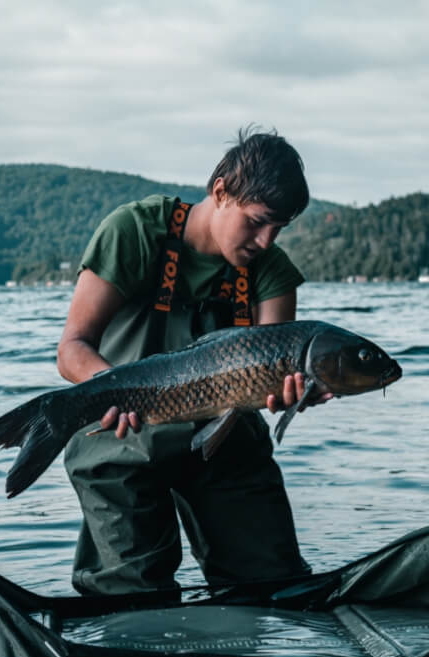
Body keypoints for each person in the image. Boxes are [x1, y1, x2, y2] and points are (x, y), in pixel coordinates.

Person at [57, 127, 324, 596]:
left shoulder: (273, 270)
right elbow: (72, 349)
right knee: (130, 599)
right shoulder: (134, 231)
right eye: (257, 222)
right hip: (122, 441)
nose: (266, 241)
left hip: (227, 443)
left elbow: (277, 368)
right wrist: (115, 392)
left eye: (279, 228)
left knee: (276, 590)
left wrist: (294, 395)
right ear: (220, 192)